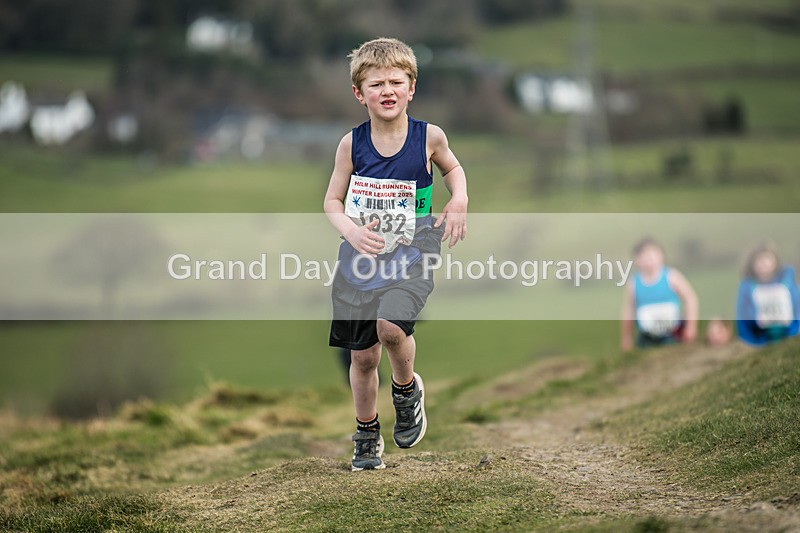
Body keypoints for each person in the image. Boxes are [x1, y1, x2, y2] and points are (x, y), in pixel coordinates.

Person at [323, 38, 468, 471]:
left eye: (395, 82)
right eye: (376, 84)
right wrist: (351, 231)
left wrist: (459, 198)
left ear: (411, 88)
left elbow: (453, 169)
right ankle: (366, 433)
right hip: (360, 259)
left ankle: (405, 392)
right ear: (359, 93)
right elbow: (332, 201)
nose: (387, 90)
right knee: (362, 357)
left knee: (390, 328)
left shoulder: (429, 137)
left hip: (413, 252)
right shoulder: (351, 145)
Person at [621, 237, 699, 351]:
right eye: (645, 257)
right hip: (647, 337)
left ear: (661, 256)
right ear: (637, 260)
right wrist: (627, 337)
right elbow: (629, 310)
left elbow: (690, 299)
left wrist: (691, 327)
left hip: (673, 335)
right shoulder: (633, 283)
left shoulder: (672, 276)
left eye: (653, 255)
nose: (649, 260)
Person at [736, 241, 800, 346]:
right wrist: (752, 341)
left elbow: (797, 306)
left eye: (767, 258)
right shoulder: (747, 288)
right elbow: (742, 317)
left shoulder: (788, 281)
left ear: (775, 261)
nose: (763, 264)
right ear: (751, 264)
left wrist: (794, 332)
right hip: (759, 340)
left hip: (790, 335)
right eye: (759, 260)